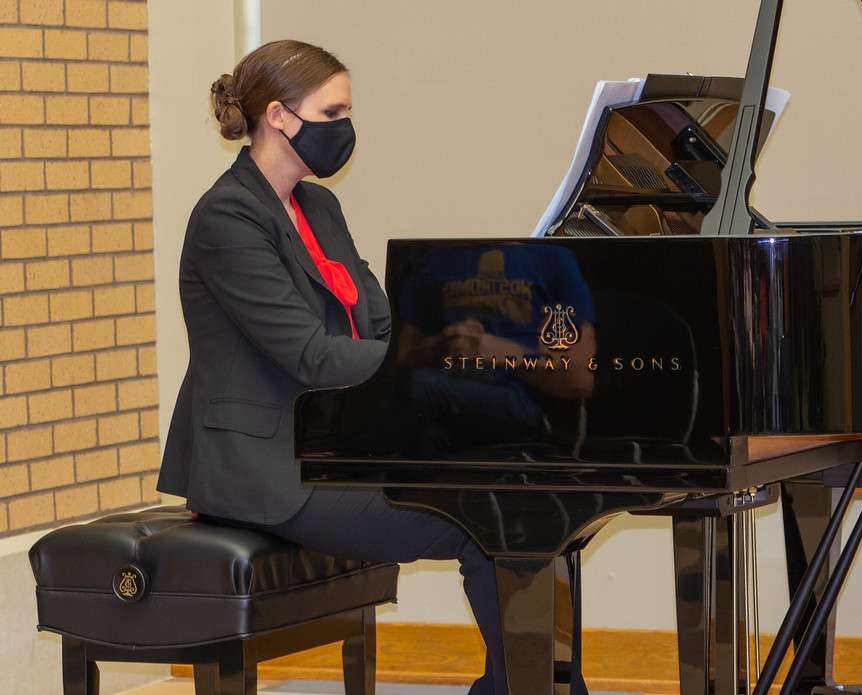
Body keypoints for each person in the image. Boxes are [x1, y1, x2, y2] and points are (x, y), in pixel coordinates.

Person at [154, 39, 588, 695]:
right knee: (491, 520)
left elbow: (381, 328)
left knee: (522, 490)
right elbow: (309, 352)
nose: (346, 129)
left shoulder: (318, 207)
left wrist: (459, 341)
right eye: (333, 111)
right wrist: (438, 354)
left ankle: (528, 686)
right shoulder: (228, 217)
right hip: (269, 467)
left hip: (341, 442)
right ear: (279, 116)